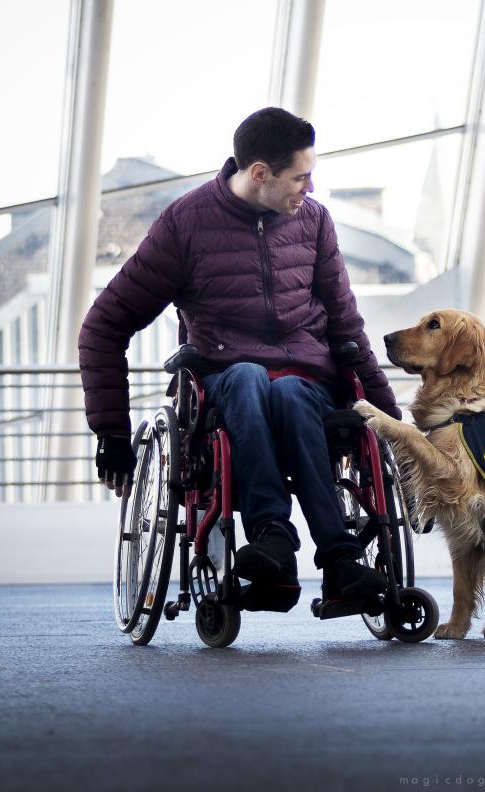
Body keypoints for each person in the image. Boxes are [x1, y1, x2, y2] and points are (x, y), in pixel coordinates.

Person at [78, 107, 402, 603]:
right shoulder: (185, 224)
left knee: (292, 390)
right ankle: (272, 539)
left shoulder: (314, 223)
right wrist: (112, 433)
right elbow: (103, 325)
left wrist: (391, 423)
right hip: (225, 378)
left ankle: (340, 560)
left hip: (306, 379)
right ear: (259, 174)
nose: (309, 189)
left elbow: (346, 327)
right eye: (301, 176)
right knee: (250, 376)